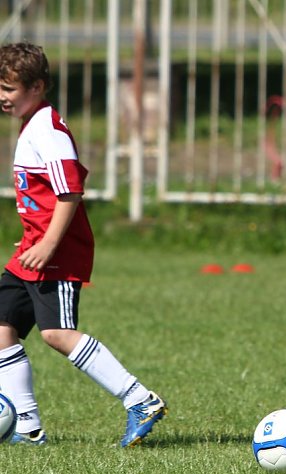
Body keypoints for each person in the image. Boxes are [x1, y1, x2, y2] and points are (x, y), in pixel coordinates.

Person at [0, 41, 167, 447]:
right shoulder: (32, 124)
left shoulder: (48, 130)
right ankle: (28, 428)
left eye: (9, 88)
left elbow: (70, 192)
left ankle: (140, 399)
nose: (2, 96)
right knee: (2, 328)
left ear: (37, 87)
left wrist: (48, 244)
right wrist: (35, 239)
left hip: (55, 253)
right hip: (32, 249)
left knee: (57, 334)